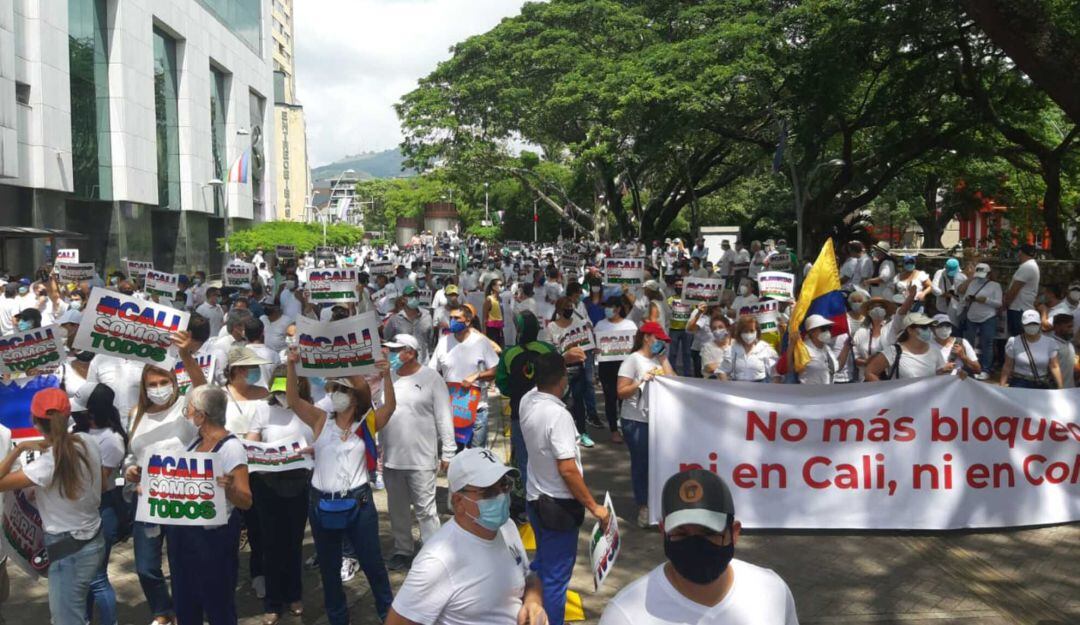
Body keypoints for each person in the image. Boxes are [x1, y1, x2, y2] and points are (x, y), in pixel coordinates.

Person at [599, 469, 799, 625]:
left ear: (735, 532)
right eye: (681, 533)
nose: (695, 544)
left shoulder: (772, 591)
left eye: (708, 532)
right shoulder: (625, 615)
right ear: (663, 531)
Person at [284, 352, 396, 624]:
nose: (333, 393)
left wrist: (387, 374)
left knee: (372, 563)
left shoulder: (366, 424)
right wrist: (291, 365)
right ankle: (337, 617)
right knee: (329, 568)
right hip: (320, 503)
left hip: (359, 503)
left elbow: (390, 407)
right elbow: (292, 400)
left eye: (340, 389)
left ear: (355, 396)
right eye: (331, 388)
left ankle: (388, 614)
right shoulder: (321, 420)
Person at [385, 449, 547, 625]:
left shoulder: (507, 527)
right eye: (488, 492)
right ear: (458, 502)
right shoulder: (437, 561)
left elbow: (529, 577)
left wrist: (533, 602)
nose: (501, 496)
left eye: (505, 485)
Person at [520, 352, 610, 625]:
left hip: (535, 499)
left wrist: (558, 357)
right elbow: (567, 469)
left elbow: (544, 371)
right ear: (562, 380)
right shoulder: (558, 416)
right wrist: (594, 507)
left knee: (543, 566)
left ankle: (531, 612)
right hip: (558, 507)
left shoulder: (527, 400)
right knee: (556, 580)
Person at [0, 388, 104, 625]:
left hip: (68, 551)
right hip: (92, 541)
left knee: (66, 619)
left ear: (35, 421)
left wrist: (19, 448)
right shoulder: (87, 442)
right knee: (75, 610)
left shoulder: (46, 464)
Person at [123, 338, 207, 625]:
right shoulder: (136, 416)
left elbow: (203, 388)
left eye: (163, 382)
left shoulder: (186, 407)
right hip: (146, 499)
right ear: (144, 388)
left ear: (173, 381)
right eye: (152, 384)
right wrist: (131, 470)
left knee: (184, 562)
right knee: (146, 566)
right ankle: (162, 610)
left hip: (182, 497)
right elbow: (131, 455)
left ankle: (187, 611)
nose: (158, 388)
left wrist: (185, 354)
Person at [157, 385, 252, 625]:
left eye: (189, 410)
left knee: (218, 604)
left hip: (214, 541)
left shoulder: (231, 448)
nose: (186, 415)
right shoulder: (194, 442)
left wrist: (229, 488)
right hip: (183, 537)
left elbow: (246, 500)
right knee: (185, 603)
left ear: (201, 415)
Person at [380, 334, 455, 571]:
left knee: (426, 509)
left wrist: (449, 452)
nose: (391, 355)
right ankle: (403, 550)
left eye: (396, 350)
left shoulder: (431, 378)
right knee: (397, 508)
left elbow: (444, 416)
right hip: (392, 458)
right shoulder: (387, 378)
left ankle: (432, 552)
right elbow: (378, 415)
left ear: (410, 352)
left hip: (421, 457)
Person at [245, 378, 315, 623]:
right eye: (278, 391)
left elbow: (320, 441)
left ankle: (294, 594)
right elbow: (250, 441)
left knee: (293, 543)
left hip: (299, 484)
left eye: (287, 391)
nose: (282, 396)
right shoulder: (263, 410)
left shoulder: (309, 410)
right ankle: (273, 602)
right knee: (271, 545)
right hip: (267, 486)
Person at [73, 384, 128, 625]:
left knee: (96, 577)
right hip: (78, 509)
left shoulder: (112, 440)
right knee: (81, 576)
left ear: (92, 411)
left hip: (101, 509)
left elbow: (100, 483)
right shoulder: (77, 432)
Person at [617, 322, 675, 527]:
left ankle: (657, 504)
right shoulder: (632, 360)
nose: (661, 343)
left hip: (658, 420)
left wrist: (663, 359)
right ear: (646, 337)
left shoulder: (660, 360)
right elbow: (621, 391)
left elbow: (675, 383)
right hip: (635, 420)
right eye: (658, 339)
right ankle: (643, 507)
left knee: (658, 463)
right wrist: (640, 381)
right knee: (641, 463)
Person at [429, 304, 500, 449]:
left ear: (467, 321)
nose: (452, 321)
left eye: (457, 318)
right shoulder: (443, 342)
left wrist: (477, 376)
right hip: (451, 411)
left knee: (477, 455)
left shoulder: (481, 342)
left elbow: (495, 370)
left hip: (477, 410)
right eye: (451, 318)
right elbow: (432, 371)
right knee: (456, 456)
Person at [547, 296, 596, 448]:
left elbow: (588, 344)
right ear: (560, 310)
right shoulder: (552, 327)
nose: (569, 309)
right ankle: (560, 434)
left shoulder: (579, 324)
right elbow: (550, 350)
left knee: (579, 401)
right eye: (566, 307)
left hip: (578, 368)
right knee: (561, 403)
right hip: (561, 371)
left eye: (571, 306)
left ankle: (582, 433)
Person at [592, 295, 636, 442]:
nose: (607, 310)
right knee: (610, 398)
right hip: (607, 366)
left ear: (618, 309)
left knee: (624, 398)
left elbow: (636, 345)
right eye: (606, 308)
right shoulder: (600, 325)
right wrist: (596, 350)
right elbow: (595, 345)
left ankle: (626, 427)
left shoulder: (630, 325)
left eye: (610, 307)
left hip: (626, 366)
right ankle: (614, 431)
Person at [864, 313, 953, 381]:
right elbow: (869, 372)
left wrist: (957, 377)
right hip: (901, 403)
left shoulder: (934, 350)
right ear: (910, 330)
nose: (929, 330)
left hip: (928, 402)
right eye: (924, 327)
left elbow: (936, 376)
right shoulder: (893, 351)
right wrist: (887, 392)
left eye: (929, 327)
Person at [956, 263, 1002, 380]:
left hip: (988, 317)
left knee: (987, 343)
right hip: (972, 316)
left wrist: (986, 300)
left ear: (988, 274)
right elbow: (965, 297)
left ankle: (986, 369)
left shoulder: (995, 285)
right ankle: (970, 368)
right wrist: (968, 299)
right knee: (969, 344)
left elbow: (999, 303)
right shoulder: (972, 283)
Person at [1000, 310, 1062, 389]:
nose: (1031, 326)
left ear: (1039, 324)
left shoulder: (1050, 342)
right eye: (1028, 324)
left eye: (1034, 323)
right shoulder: (1013, 341)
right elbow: (1007, 366)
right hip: (1019, 382)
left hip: (1041, 383)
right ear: (1022, 325)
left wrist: (1060, 387)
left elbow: (1054, 366)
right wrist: (1002, 386)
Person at [722, 316, 779, 383]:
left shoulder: (765, 348)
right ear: (740, 333)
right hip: (737, 388)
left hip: (760, 388)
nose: (749, 334)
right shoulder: (732, 349)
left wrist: (771, 390)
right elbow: (722, 371)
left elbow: (776, 374)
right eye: (745, 331)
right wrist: (726, 386)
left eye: (751, 331)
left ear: (757, 331)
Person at [385, 286, 434, 363]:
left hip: (423, 362)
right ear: (403, 299)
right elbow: (387, 340)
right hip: (402, 363)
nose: (414, 298)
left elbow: (430, 340)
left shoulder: (427, 316)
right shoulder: (394, 319)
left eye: (416, 296)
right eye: (411, 296)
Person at [797, 315, 849, 385]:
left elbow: (836, 367)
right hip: (809, 393)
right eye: (824, 329)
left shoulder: (827, 348)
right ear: (812, 332)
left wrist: (846, 346)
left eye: (829, 328)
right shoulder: (803, 349)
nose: (827, 332)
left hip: (827, 392)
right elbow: (791, 368)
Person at [1003, 243, 1040, 337]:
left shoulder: (1027, 267)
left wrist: (1005, 303)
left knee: (1018, 337)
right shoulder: (1030, 265)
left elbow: (1015, 289)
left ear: (1021, 252)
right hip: (1020, 307)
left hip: (1018, 308)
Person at [931, 258, 965, 323]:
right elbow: (934, 288)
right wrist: (946, 294)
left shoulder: (962, 274)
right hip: (942, 308)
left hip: (957, 309)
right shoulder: (939, 273)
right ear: (945, 267)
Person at [1048, 313, 1077, 388]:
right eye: (1069, 326)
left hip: (1071, 389)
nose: (1072, 329)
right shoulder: (1050, 345)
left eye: (1072, 326)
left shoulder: (1069, 344)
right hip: (1056, 391)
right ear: (1057, 327)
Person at [482, 277, 506, 347]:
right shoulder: (489, 299)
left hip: (499, 327)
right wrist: (484, 332)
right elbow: (484, 317)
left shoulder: (500, 299)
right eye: (500, 285)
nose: (502, 287)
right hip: (491, 329)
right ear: (493, 287)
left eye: (502, 285)